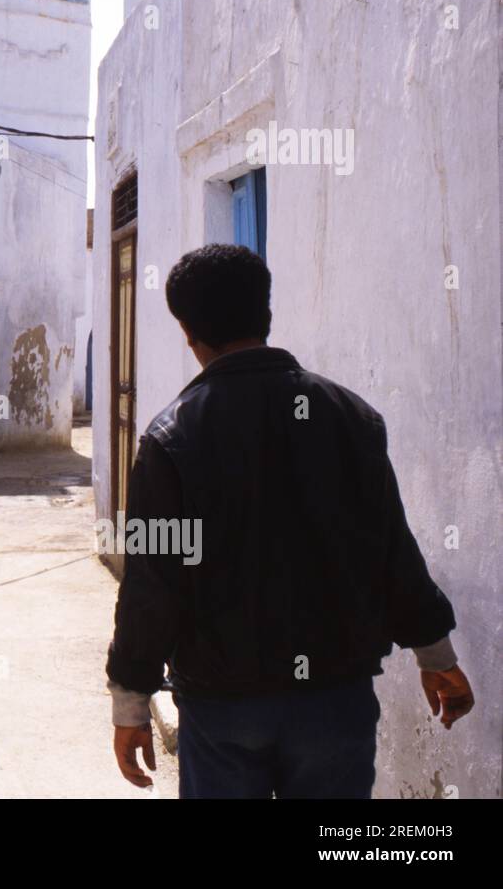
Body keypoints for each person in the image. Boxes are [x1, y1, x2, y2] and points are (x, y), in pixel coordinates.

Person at [106, 244, 473, 798]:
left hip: (225, 711)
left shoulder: (171, 439)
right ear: (266, 315)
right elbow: (393, 549)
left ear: (188, 332)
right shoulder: (351, 417)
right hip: (334, 703)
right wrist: (436, 654)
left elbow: (152, 586)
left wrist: (131, 702)